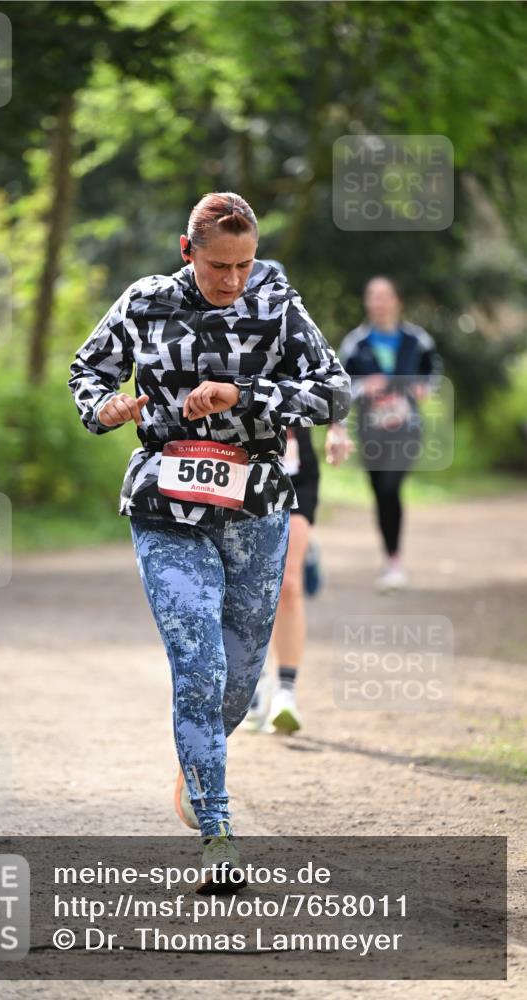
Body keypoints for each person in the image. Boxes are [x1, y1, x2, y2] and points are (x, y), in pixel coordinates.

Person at [68, 192, 350, 891]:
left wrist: (243, 396)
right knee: (197, 664)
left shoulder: (277, 305)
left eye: (245, 265)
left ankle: (195, 765)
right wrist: (102, 408)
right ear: (187, 250)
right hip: (164, 502)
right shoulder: (144, 302)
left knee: (235, 675)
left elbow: (333, 393)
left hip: (254, 507)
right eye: (220, 265)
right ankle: (218, 834)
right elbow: (88, 371)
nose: (233, 280)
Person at [242, 262, 354, 736]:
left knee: (288, 584)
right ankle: (253, 682)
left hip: (294, 475)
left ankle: (286, 691)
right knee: (246, 588)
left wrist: (338, 430)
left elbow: (333, 381)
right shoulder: (229, 335)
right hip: (242, 476)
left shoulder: (294, 332)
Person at [338, 276, 442, 592]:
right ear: (367, 303)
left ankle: (394, 561)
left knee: (391, 484)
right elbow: (339, 387)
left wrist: (425, 387)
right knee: (381, 493)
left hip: (406, 430)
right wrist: (362, 388)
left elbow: (433, 370)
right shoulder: (355, 344)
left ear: (397, 301)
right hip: (371, 432)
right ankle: (391, 558)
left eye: (384, 296)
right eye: (373, 296)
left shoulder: (417, 340)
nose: (378, 302)